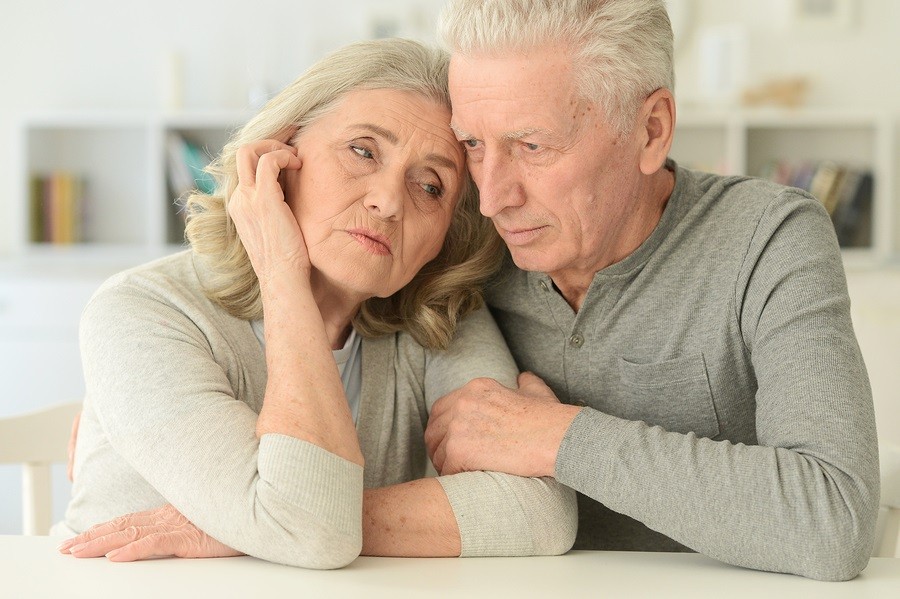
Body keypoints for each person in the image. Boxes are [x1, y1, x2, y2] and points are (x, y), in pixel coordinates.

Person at [55, 37, 576, 569]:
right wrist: (282, 272)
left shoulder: (436, 315)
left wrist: (282, 520)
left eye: (430, 186)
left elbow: (541, 512)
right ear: (282, 151)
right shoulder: (141, 311)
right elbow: (310, 531)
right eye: (363, 151)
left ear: (446, 232)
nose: (389, 200)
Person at [423, 0, 879, 582]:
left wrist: (554, 436)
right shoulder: (463, 242)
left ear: (651, 130)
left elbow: (834, 519)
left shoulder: (768, 237)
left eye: (532, 147)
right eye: (473, 145)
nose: (492, 199)